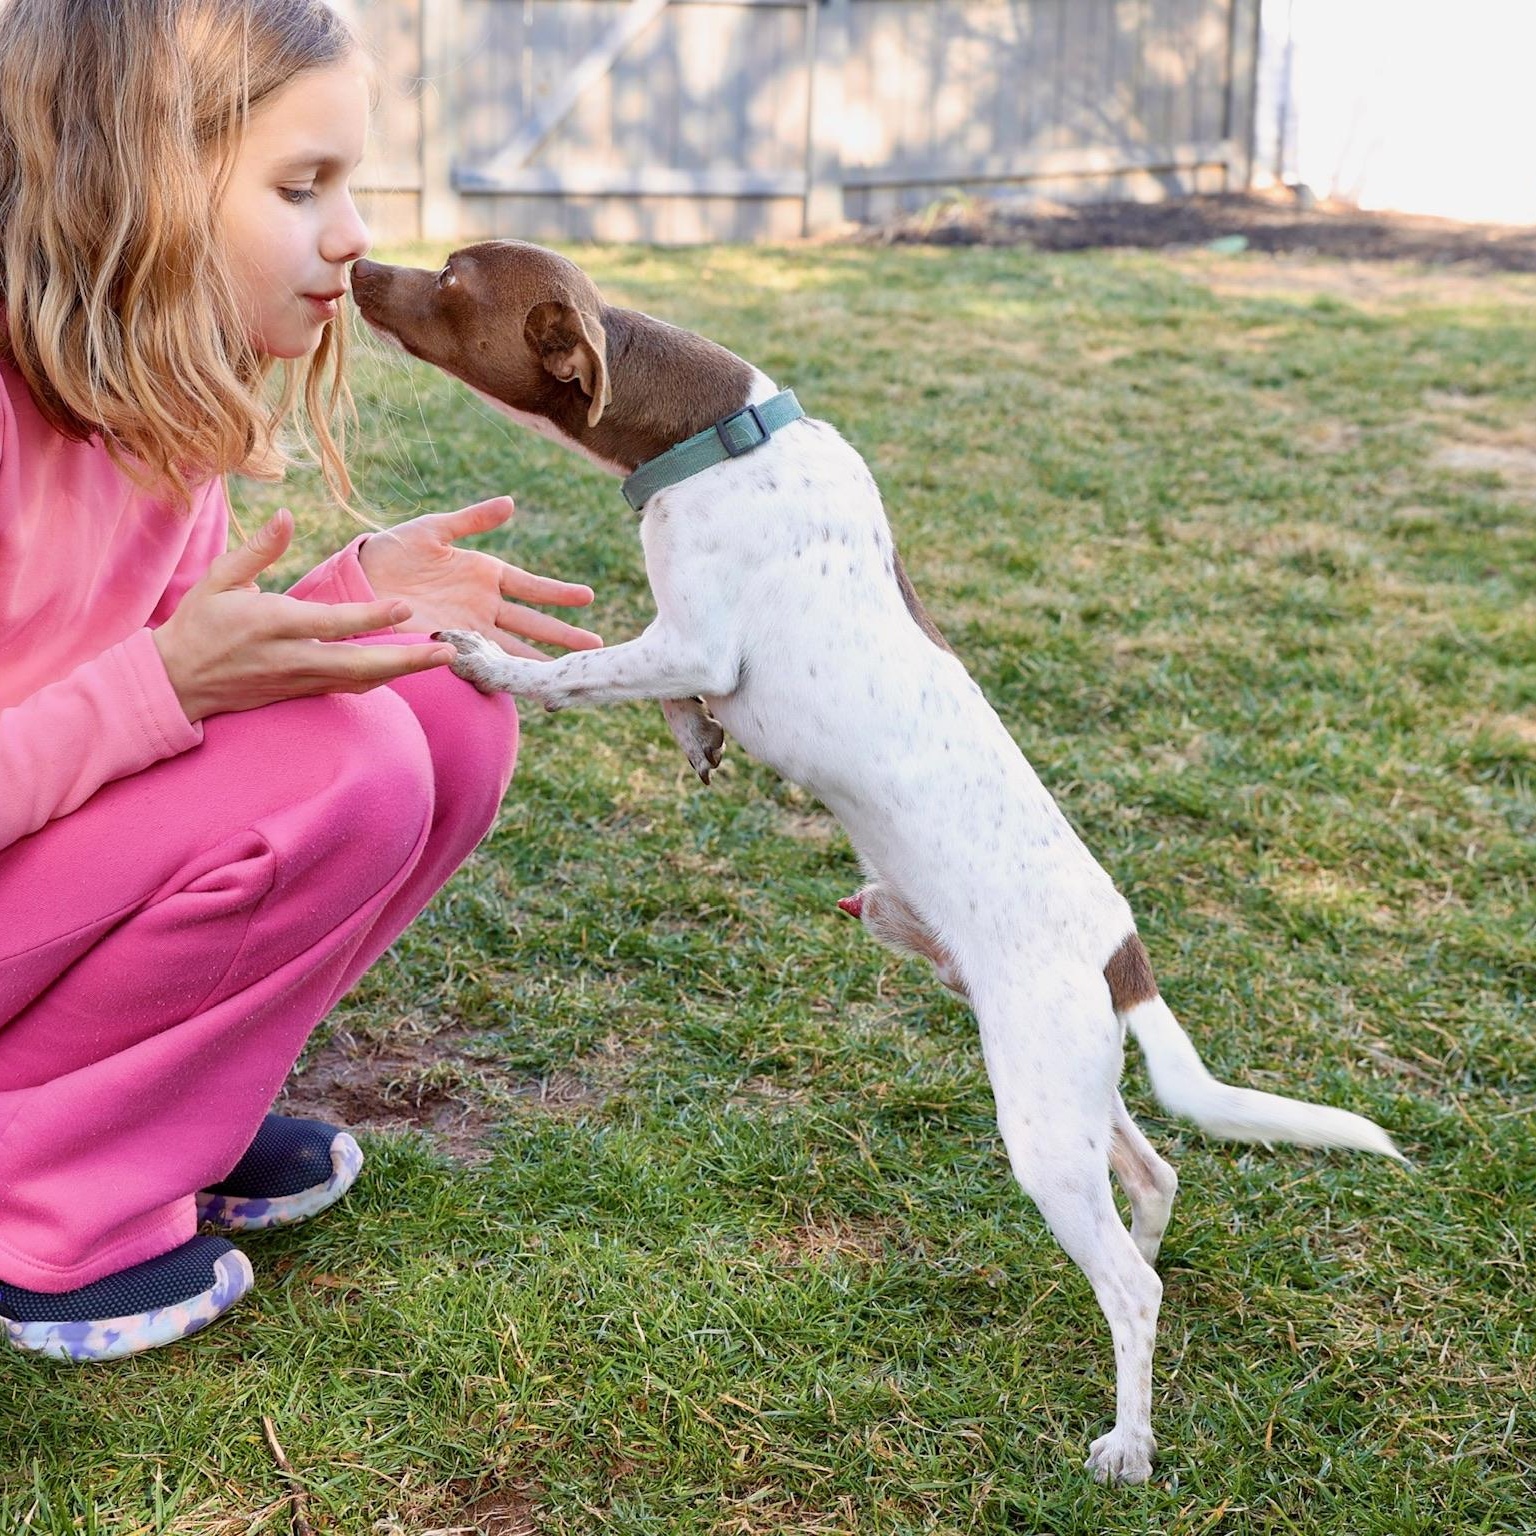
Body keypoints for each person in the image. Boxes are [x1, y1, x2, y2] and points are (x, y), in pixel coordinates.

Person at [0, 0, 602, 1361]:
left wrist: (343, 605)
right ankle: (42, 1202)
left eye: (353, 185)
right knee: (354, 766)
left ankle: (166, 1115)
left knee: (444, 707)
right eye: (300, 187)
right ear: (131, 183)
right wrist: (169, 683)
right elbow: (153, 696)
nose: (353, 237)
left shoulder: (161, 411)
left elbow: (169, 689)